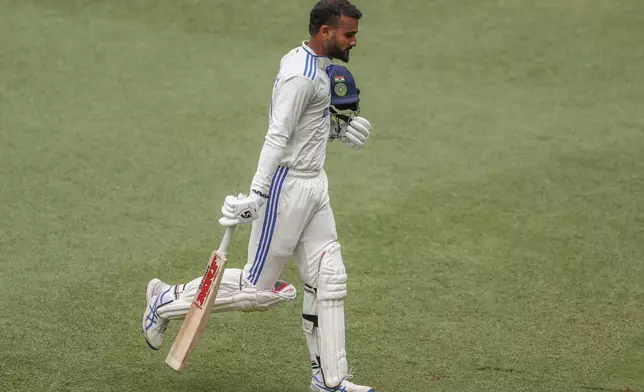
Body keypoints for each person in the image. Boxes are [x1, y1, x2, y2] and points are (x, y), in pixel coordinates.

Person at [142, 1, 373, 391]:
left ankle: (330, 382)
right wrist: (257, 193)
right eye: (348, 34)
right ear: (325, 32)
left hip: (315, 184)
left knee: (329, 279)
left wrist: (338, 131)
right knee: (256, 291)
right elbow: (278, 135)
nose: (354, 41)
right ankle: (165, 300)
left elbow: (307, 126)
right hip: (286, 189)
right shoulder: (300, 76)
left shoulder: (317, 68)